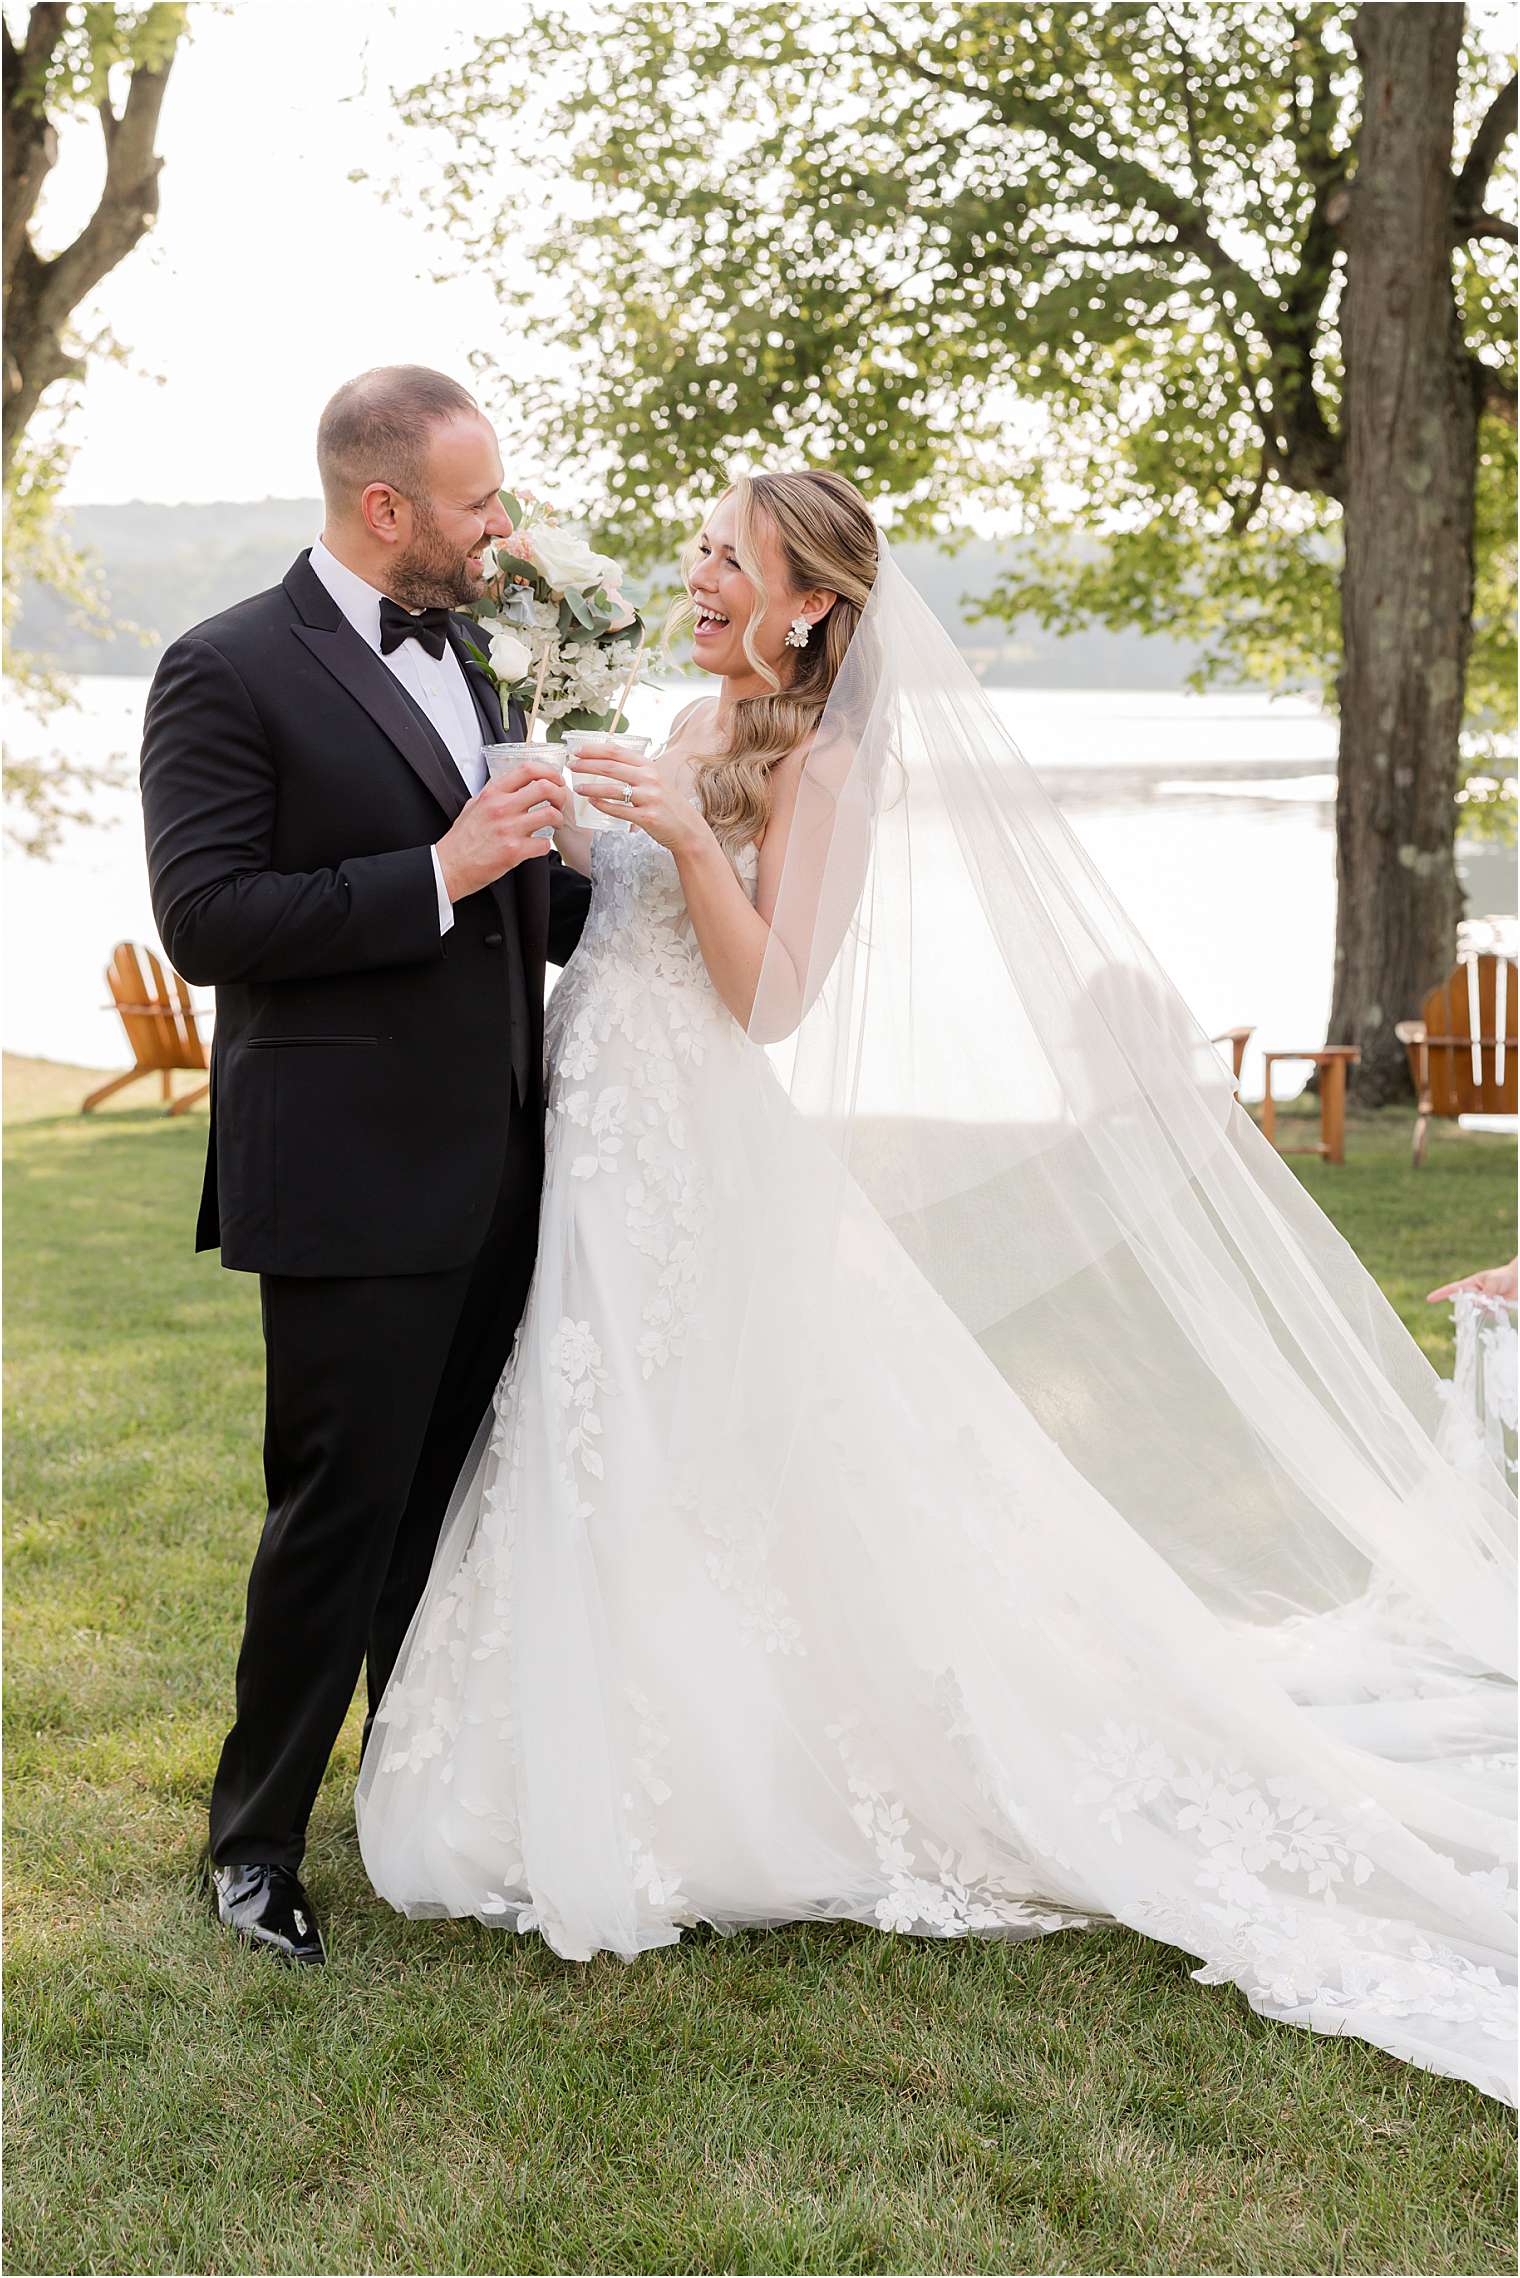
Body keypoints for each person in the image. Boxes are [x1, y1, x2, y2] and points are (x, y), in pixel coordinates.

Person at [356, 470, 1515, 2103]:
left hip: (689, 1142)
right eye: (697, 548)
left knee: (677, 1435)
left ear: (809, 602)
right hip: (595, 1128)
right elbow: (596, 925)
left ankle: (723, 1782)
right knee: (592, 1425)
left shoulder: (825, 767)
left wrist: (688, 838)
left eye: (728, 558)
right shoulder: (688, 713)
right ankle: (576, 1748)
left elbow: (771, 1003)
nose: (693, 573)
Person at [140, 366, 590, 1965]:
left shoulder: (480, 654)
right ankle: (253, 1842)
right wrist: (440, 867)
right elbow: (208, 922)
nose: (503, 528)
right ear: (385, 507)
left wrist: (601, 864)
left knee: (455, 1504)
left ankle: (414, 1792)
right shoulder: (225, 669)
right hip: (342, 1174)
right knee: (338, 1511)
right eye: (480, 504)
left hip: (503, 1162)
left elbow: (520, 912)